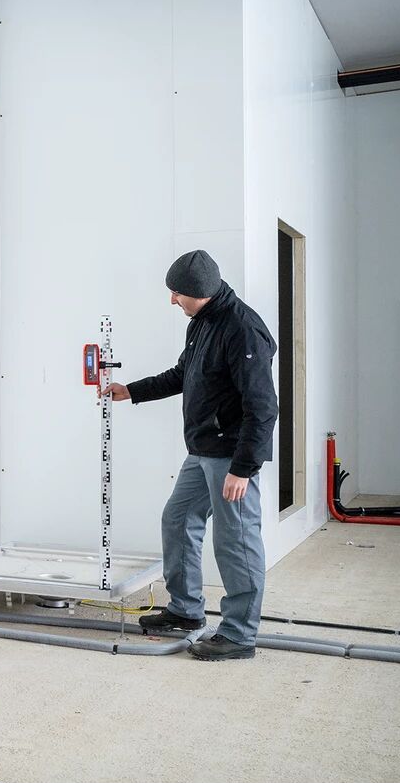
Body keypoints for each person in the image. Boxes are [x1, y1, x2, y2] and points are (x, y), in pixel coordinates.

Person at [105, 250, 278, 661]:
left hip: (230, 457)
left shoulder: (242, 328)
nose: (172, 300)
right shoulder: (202, 321)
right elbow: (183, 374)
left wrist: (243, 468)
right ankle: (185, 611)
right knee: (178, 519)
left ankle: (239, 635)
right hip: (201, 450)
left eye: (177, 293)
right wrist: (132, 391)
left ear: (199, 291)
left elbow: (262, 407)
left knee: (236, 541)